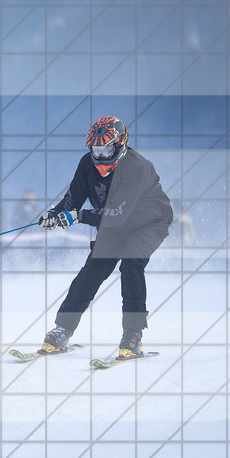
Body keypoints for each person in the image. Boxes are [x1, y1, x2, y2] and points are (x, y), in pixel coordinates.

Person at [39, 116, 173, 358]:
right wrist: (54, 213)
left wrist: (77, 217)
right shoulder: (87, 164)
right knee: (94, 269)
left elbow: (118, 213)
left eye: (107, 149)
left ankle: (133, 334)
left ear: (120, 145)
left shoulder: (136, 167)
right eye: (96, 149)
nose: (101, 156)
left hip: (149, 222)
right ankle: (63, 329)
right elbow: (74, 197)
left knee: (131, 264)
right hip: (113, 223)